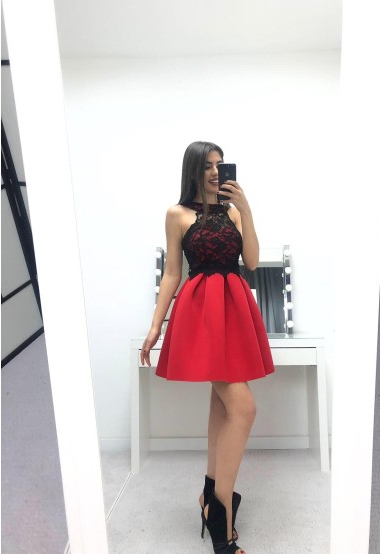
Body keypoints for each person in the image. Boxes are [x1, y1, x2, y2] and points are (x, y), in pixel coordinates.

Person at [141, 141, 274, 554]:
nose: (216, 172)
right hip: (201, 314)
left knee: (224, 408)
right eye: (208, 166)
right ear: (194, 171)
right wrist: (155, 326)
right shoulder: (177, 214)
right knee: (243, 407)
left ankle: (209, 495)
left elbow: (252, 262)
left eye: (220, 165)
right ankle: (220, 511)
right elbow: (172, 274)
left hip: (234, 311)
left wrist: (246, 209)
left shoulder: (233, 212)